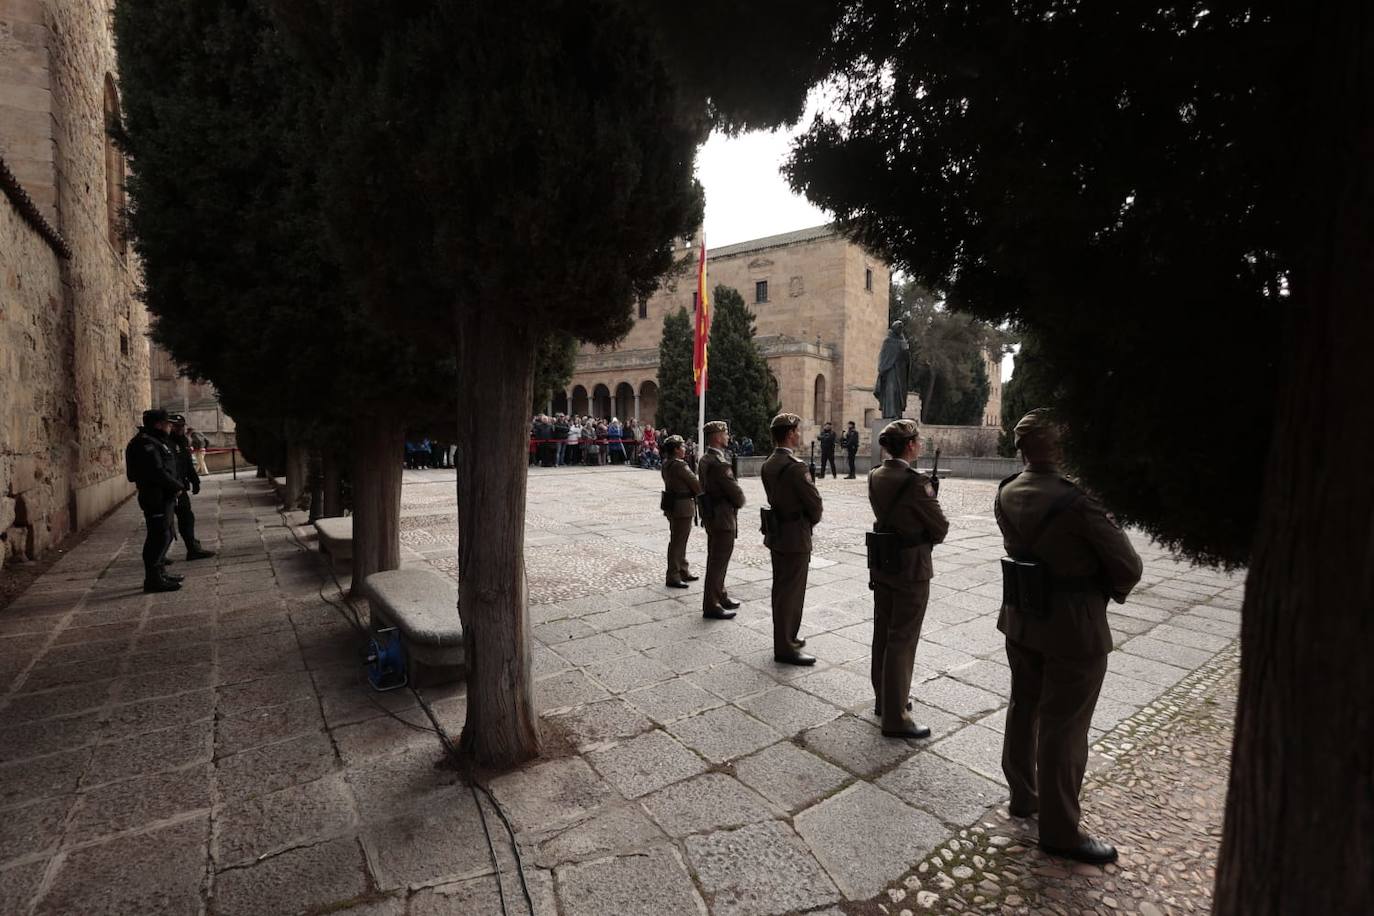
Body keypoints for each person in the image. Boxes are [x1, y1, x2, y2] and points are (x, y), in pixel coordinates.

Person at [995, 408, 1143, 866]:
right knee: (1064, 725)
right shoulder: (1077, 500)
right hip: (1072, 626)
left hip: (1022, 616)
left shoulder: (1006, 492)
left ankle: (1024, 794)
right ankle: (1059, 830)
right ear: (1058, 446)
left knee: (1024, 706)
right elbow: (1129, 567)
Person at [867, 419, 948, 739]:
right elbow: (940, 528)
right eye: (917, 440)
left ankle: (883, 699)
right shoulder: (916, 482)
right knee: (903, 638)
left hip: (884, 561)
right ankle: (895, 717)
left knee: (883, 633)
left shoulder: (875, 474)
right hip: (911, 567)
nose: (920, 444)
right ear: (910, 445)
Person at [760, 413, 822, 665]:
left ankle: (785, 638)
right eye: (796, 431)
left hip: (777, 533)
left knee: (781, 589)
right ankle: (786, 646)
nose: (799, 435)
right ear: (788, 434)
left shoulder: (768, 464)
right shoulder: (796, 467)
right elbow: (815, 506)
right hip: (795, 535)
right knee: (792, 592)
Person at [124, 409, 185, 593]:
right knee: (158, 537)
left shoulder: (156, 440)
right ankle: (152, 579)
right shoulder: (145, 444)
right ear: (158, 424)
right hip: (155, 496)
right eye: (167, 423)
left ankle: (159, 573)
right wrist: (176, 486)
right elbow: (156, 472)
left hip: (163, 496)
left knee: (164, 534)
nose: (170, 427)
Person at [697, 420, 745, 620]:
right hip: (723, 517)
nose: (728, 437)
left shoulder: (705, 459)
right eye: (725, 434)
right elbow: (737, 496)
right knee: (718, 561)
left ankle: (720, 594)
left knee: (717, 558)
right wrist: (741, 499)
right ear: (717, 437)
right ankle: (711, 604)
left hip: (711, 516)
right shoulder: (719, 464)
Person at [168, 415, 216, 563]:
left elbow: (187, 463)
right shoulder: (166, 443)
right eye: (176, 426)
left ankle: (192, 548)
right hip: (170, 487)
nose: (179, 429)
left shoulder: (181, 442)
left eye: (181, 426)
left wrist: (195, 481)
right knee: (164, 523)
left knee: (186, 518)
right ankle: (158, 559)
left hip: (180, 486)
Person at [659, 435, 701, 588]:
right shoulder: (680, 466)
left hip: (672, 505)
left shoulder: (666, 464)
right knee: (678, 542)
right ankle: (673, 574)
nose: (685, 449)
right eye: (682, 447)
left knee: (678, 539)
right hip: (682, 507)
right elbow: (697, 485)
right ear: (676, 450)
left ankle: (682, 569)